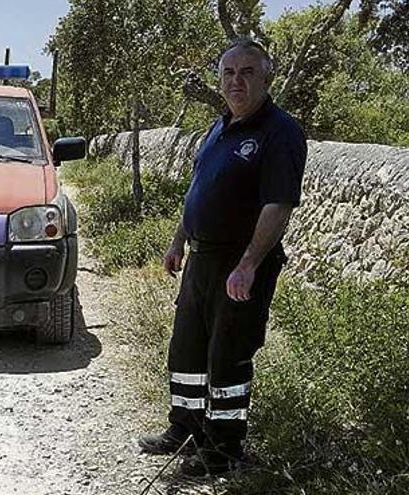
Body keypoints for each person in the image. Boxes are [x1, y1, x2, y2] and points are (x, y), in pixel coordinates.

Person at [138, 38, 307, 477]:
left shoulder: (279, 132)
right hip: (201, 259)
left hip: (241, 263)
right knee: (188, 349)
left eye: (247, 72)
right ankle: (185, 430)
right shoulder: (219, 127)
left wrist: (249, 264)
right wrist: (178, 241)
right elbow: (198, 192)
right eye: (229, 73)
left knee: (228, 355)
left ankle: (222, 450)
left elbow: (278, 205)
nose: (236, 81)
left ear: (266, 78)